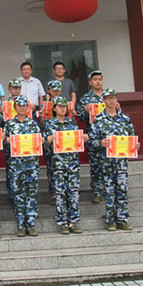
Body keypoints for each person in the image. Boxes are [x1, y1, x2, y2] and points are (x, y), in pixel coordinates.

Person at [88, 89, 139, 231]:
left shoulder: (125, 118)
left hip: (121, 161)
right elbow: (91, 141)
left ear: (116, 99)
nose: (111, 101)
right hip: (106, 162)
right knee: (109, 191)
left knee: (122, 189)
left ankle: (122, 219)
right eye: (108, 98)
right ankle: (110, 220)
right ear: (103, 100)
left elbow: (131, 137)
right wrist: (101, 143)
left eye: (113, 98)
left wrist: (135, 145)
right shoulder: (98, 119)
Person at [43, 96, 84, 234]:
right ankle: (62, 223)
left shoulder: (72, 123)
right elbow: (45, 147)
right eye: (59, 106)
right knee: (60, 193)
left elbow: (77, 143)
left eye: (64, 106)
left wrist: (83, 138)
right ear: (54, 108)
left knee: (73, 192)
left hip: (73, 162)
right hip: (58, 163)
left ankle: (73, 221)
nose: (62, 109)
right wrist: (48, 141)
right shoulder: (49, 124)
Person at [3, 95, 42, 237]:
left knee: (31, 193)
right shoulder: (8, 124)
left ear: (27, 107)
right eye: (19, 105)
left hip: (31, 164)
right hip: (16, 165)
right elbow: (3, 146)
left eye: (24, 105)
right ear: (15, 107)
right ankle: (21, 224)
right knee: (18, 194)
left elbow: (39, 143)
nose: (21, 108)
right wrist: (6, 141)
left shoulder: (33, 124)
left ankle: (30, 224)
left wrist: (41, 141)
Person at [77, 70, 106, 203]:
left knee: (109, 164)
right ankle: (96, 191)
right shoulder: (86, 98)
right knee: (95, 164)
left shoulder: (108, 96)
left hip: (108, 136)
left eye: (100, 79)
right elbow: (81, 118)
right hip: (93, 136)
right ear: (90, 82)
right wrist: (85, 111)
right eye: (95, 80)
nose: (98, 82)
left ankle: (109, 189)